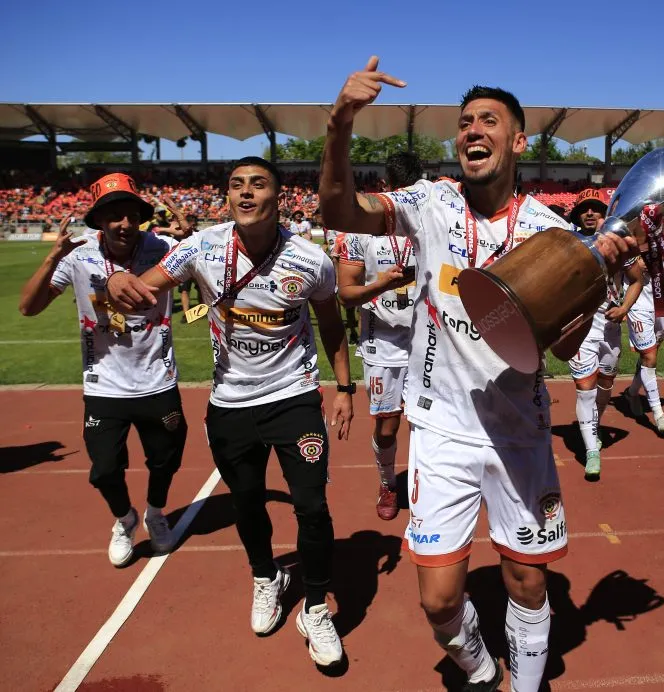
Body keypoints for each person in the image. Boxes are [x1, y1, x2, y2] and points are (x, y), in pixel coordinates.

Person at [319, 57, 634, 692]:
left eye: (489, 120)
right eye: (464, 123)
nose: (472, 131)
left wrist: (594, 288)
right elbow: (338, 211)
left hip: (518, 433)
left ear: (519, 140)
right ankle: (481, 666)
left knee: (527, 579)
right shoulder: (429, 203)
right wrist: (340, 122)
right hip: (441, 430)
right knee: (438, 602)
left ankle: (524, 686)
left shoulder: (550, 232)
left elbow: (567, 349)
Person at [106, 157, 355, 668]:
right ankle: (266, 577)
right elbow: (145, 286)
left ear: (278, 197)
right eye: (236, 185)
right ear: (226, 197)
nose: (245, 193)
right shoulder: (203, 247)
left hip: (294, 398)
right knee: (246, 503)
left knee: (311, 506)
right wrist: (116, 285)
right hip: (230, 405)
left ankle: (315, 607)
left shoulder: (311, 259)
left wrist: (345, 387)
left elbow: (332, 324)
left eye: (257, 184)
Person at [18, 173, 186, 567]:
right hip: (104, 385)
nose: (124, 224)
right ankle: (124, 519)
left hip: (158, 380)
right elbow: (29, 307)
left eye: (131, 215)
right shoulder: (78, 258)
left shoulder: (164, 248)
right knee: (105, 469)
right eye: (114, 216)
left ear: (141, 218)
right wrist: (51, 258)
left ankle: (156, 513)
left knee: (166, 459)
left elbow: (206, 260)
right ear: (99, 221)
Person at [336, 150, 423, 520]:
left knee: (427, 424)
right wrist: (382, 284)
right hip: (382, 343)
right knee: (387, 428)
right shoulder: (358, 231)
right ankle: (388, 483)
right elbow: (346, 292)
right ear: (385, 189)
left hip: (426, 341)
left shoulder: (433, 224)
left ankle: (426, 488)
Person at [566, 188, 645, 479]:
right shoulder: (568, 243)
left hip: (611, 327)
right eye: (584, 209)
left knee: (606, 384)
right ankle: (591, 451)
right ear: (577, 215)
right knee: (585, 388)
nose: (590, 213)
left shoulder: (620, 245)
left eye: (596, 209)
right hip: (582, 327)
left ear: (606, 214)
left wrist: (625, 307)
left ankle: (593, 425)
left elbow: (637, 280)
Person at [623, 258, 664, 434]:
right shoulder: (628, 237)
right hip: (637, 304)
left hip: (661, 304)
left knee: (649, 356)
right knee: (649, 356)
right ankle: (659, 414)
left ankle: (631, 392)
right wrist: (633, 263)